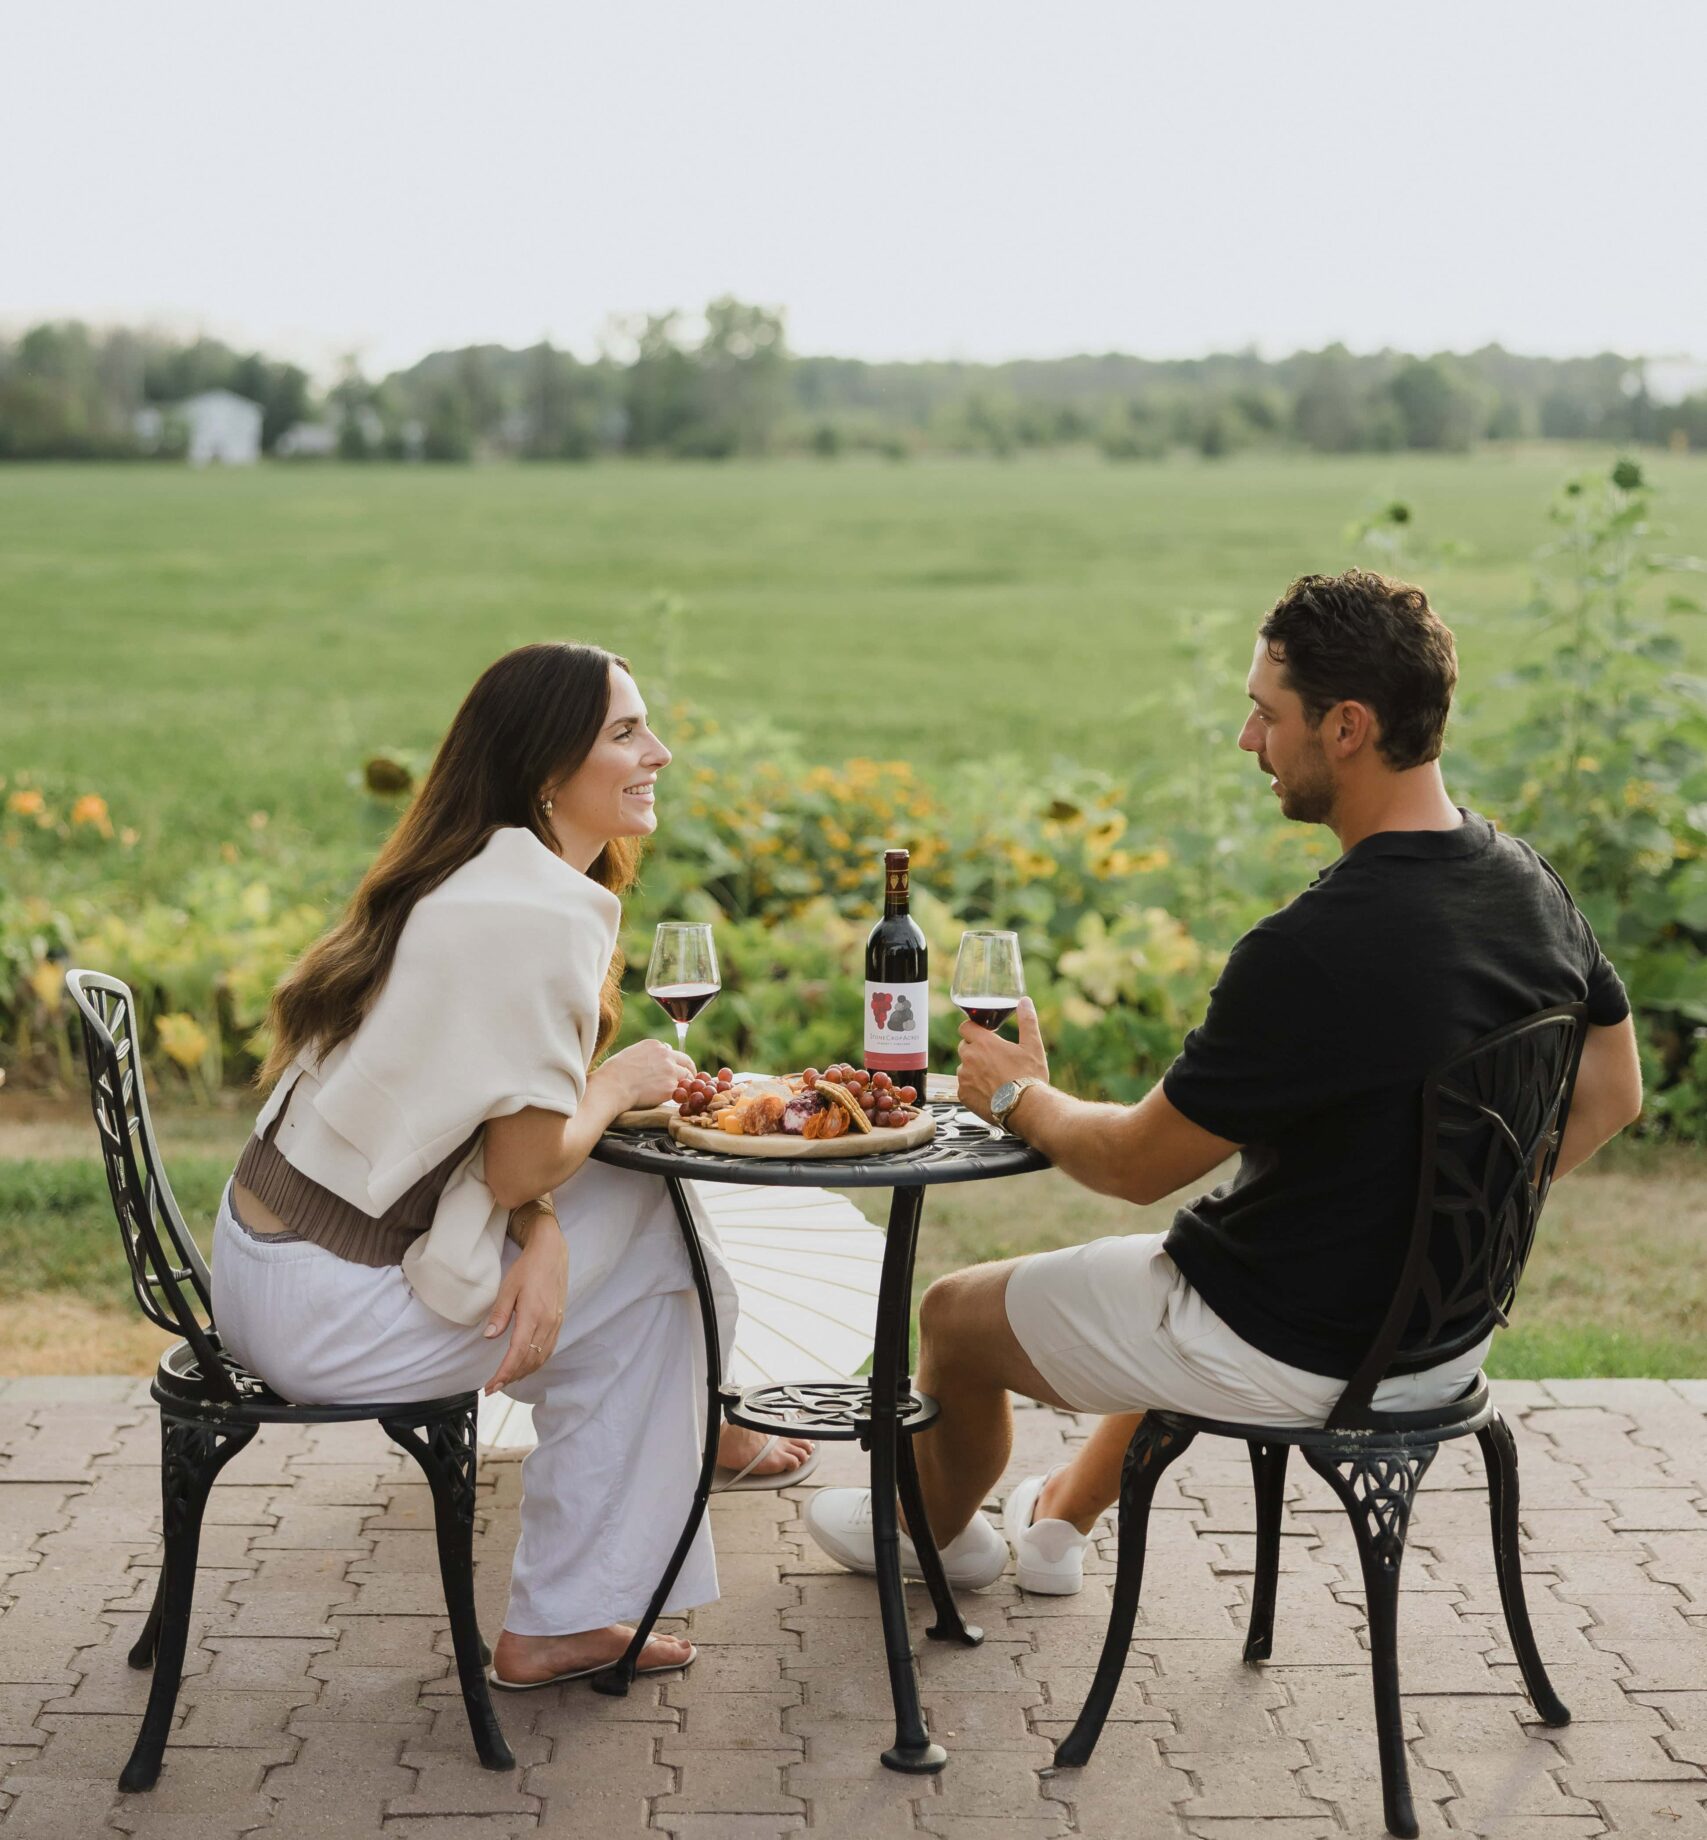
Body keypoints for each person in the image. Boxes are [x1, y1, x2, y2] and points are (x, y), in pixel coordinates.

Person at [807, 569, 1644, 1594]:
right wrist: (1450, 1223)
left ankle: (933, 1537)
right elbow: (1616, 1090)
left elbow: (1133, 1162)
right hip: (1444, 1341)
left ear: (1345, 725)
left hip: (1301, 1348)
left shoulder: (1312, 949)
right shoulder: (1530, 883)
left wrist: (1021, 1093)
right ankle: (1059, 1523)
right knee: (1207, 1254)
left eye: (1265, 711)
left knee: (954, 1315)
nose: (1249, 739)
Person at [212, 641, 809, 1693]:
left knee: (636, 1223)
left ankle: (685, 1432)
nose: (658, 750)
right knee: (661, 1266)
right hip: (329, 1310)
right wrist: (617, 1086)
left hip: (265, 1261)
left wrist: (540, 1226)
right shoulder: (537, 910)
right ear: (545, 770)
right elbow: (522, 1156)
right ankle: (575, 1601)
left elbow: (486, 1139)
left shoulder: (472, 867)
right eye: (625, 732)